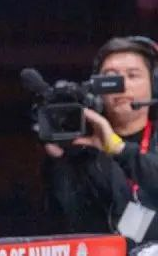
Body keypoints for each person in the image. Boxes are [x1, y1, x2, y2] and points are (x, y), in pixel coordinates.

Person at [44, 36, 158, 246]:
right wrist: (60, 162)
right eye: (111, 78)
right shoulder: (84, 146)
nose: (122, 86)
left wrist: (119, 148)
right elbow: (69, 223)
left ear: (154, 84)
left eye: (132, 75)